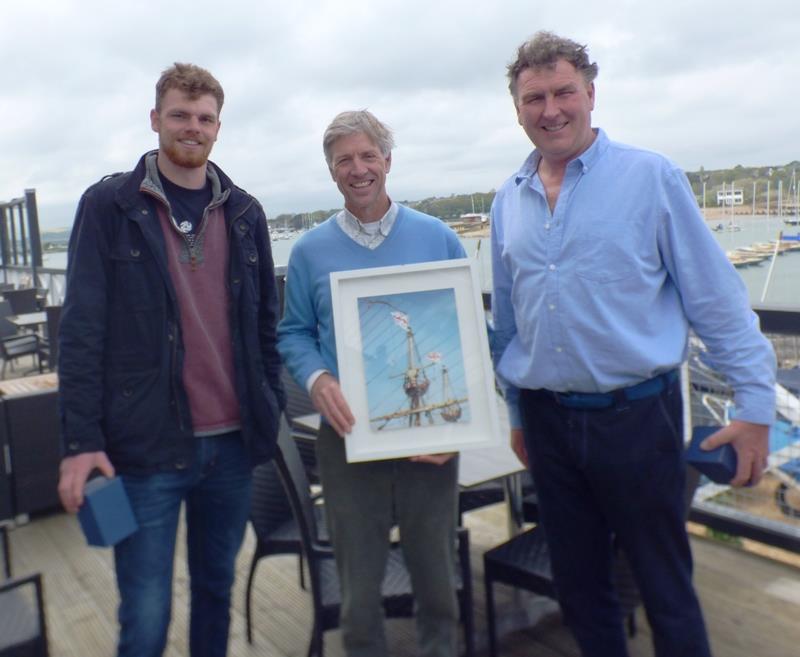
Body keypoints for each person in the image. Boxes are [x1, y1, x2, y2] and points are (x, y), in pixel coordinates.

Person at [490, 31, 776, 657]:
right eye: (534, 97)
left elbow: (716, 302)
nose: (551, 109)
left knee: (664, 586)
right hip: (546, 423)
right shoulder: (506, 201)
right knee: (581, 590)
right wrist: (516, 411)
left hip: (638, 420)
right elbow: (508, 324)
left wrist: (756, 406)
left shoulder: (651, 178)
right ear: (518, 109)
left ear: (591, 93)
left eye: (565, 91)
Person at [57, 63, 285, 657]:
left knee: (216, 589)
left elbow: (266, 325)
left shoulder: (245, 212)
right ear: (156, 119)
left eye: (205, 118)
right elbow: (80, 330)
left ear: (218, 127)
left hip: (233, 447)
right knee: (147, 609)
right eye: (180, 115)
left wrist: (270, 403)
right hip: (144, 449)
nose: (193, 127)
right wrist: (81, 440)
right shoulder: (109, 205)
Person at [277, 110, 465, 657]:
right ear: (332, 172)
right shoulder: (309, 251)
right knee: (358, 588)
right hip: (347, 434)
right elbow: (293, 333)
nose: (357, 169)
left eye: (367, 156)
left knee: (437, 577)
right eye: (344, 161)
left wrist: (463, 423)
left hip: (428, 435)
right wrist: (316, 379)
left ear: (387, 160)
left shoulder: (438, 238)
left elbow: (466, 338)